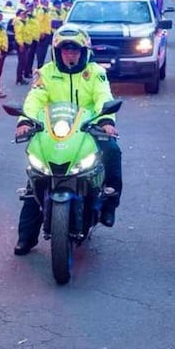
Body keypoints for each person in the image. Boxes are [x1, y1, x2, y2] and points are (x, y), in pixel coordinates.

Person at [13, 26, 122, 255]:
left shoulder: (95, 72)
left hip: (88, 129)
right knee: (37, 176)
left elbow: (103, 96)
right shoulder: (45, 73)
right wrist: (25, 121)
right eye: (65, 50)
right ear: (57, 52)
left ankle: (109, 202)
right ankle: (26, 237)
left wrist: (105, 121)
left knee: (112, 150)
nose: (70, 54)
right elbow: (35, 99)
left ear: (84, 51)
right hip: (52, 130)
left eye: (75, 50)